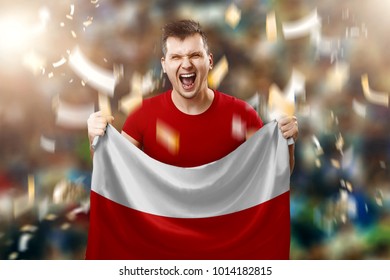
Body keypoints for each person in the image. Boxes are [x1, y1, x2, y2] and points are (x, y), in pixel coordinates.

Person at [88, 19, 298, 170]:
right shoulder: (142, 116)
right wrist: (95, 140)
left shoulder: (243, 114)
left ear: (210, 61)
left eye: (195, 55)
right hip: (163, 230)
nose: (186, 64)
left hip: (223, 230)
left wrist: (287, 143)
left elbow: (272, 175)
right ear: (164, 65)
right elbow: (114, 175)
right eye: (176, 57)